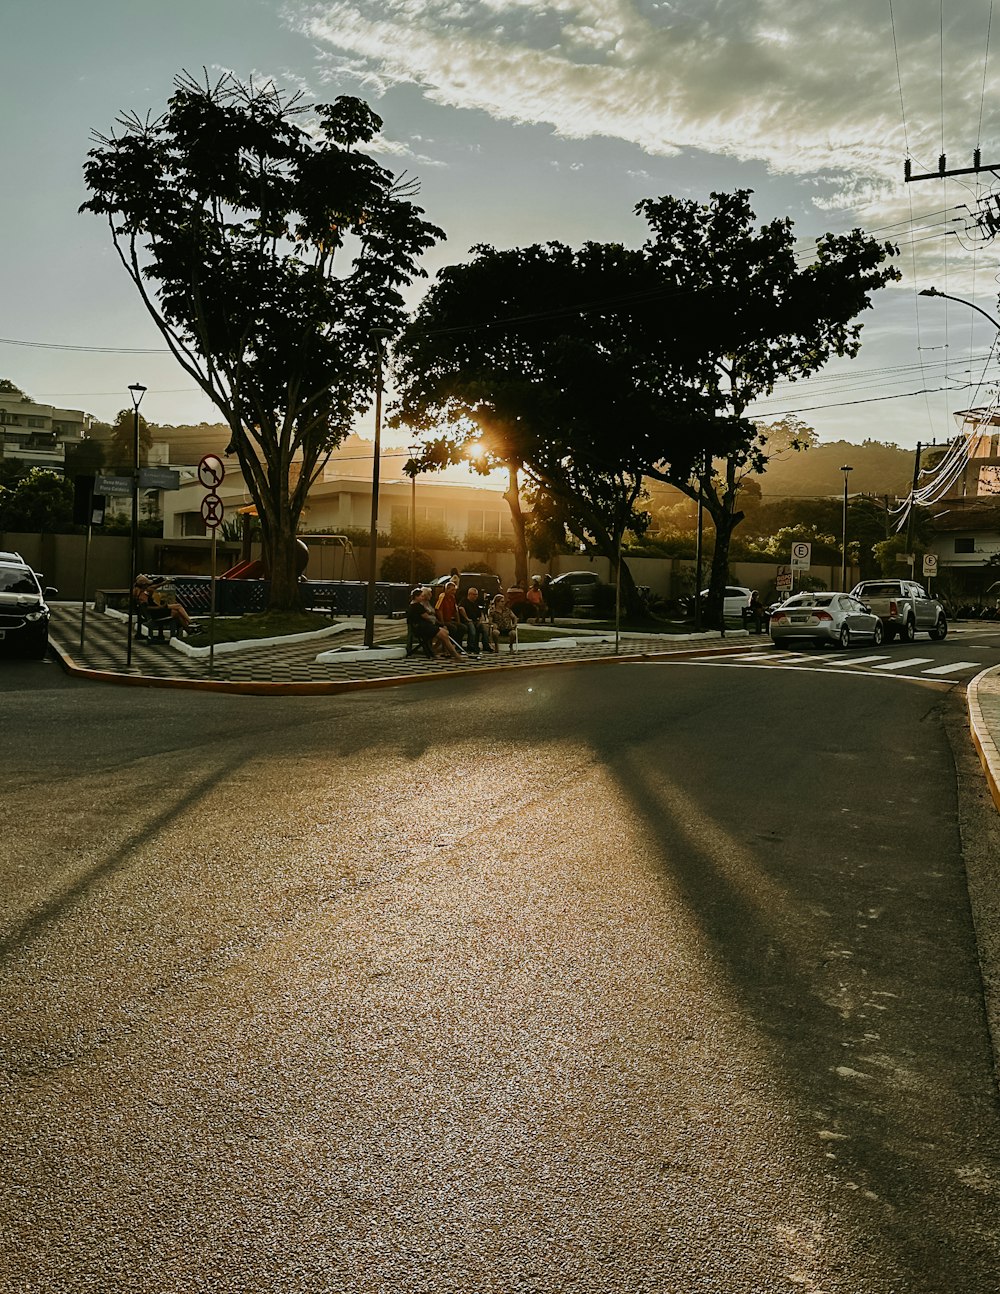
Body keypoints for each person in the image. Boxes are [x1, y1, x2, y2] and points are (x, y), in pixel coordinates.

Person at [407, 586, 464, 661]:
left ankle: (447, 652)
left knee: (445, 632)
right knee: (444, 634)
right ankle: (455, 655)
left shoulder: (416, 605)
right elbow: (427, 617)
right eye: (421, 596)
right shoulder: (416, 606)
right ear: (416, 597)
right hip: (421, 627)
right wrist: (433, 618)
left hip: (424, 626)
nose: (422, 598)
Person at [457, 586, 490, 656]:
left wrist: (480, 620)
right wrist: (467, 618)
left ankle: (486, 646)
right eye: (474, 595)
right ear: (469, 594)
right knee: (472, 628)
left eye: (477, 595)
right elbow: (461, 608)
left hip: (475, 621)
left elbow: (480, 613)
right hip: (466, 621)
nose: (476, 596)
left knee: (484, 628)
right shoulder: (464, 601)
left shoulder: (475, 603)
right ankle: (471, 646)